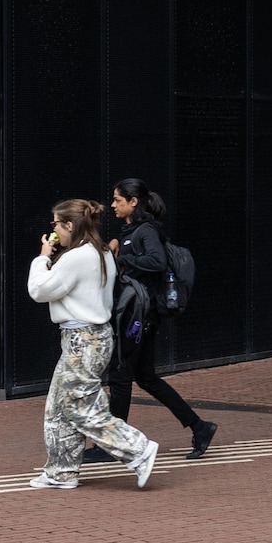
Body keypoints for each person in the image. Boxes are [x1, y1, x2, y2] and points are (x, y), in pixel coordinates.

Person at [25, 199, 158, 491]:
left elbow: (39, 290)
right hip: (91, 337)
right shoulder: (98, 252)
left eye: (56, 224)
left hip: (82, 339)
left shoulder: (77, 257)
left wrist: (42, 256)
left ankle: (138, 449)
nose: (54, 229)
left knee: (80, 408)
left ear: (69, 225)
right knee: (60, 406)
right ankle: (61, 472)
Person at [105, 179, 217, 460]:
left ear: (133, 202)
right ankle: (199, 426)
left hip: (141, 318)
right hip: (143, 316)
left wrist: (123, 259)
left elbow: (157, 262)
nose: (113, 205)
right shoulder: (132, 231)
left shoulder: (146, 231)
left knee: (120, 376)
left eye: (118, 200)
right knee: (145, 378)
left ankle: (114, 445)